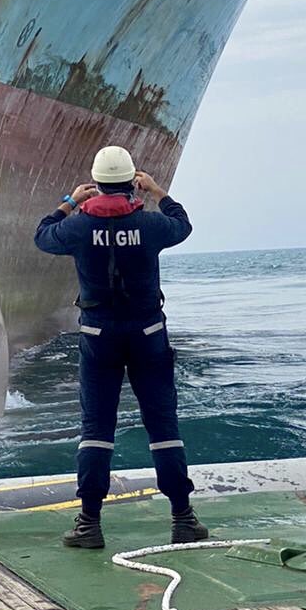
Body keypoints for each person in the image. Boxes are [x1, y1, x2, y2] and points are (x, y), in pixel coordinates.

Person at [34, 145, 208, 550]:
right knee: (163, 427)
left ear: (95, 186)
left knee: (96, 430)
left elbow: (42, 235)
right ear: (133, 183)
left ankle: (89, 524)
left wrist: (69, 202)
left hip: (98, 335)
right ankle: (183, 519)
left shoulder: (77, 228)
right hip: (148, 332)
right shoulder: (149, 225)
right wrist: (158, 191)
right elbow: (182, 224)